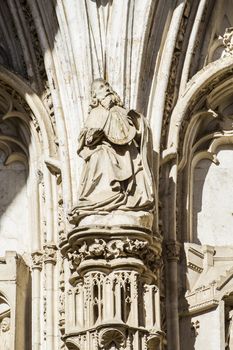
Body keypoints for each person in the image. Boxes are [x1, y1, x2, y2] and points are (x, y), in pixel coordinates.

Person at [70, 79, 155, 222]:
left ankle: (130, 196)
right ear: (95, 96)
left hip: (126, 150)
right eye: (101, 87)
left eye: (107, 85)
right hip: (104, 149)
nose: (107, 88)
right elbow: (85, 137)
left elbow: (137, 131)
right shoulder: (96, 113)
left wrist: (139, 124)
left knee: (135, 158)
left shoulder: (122, 111)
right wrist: (93, 137)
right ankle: (104, 197)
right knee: (100, 156)